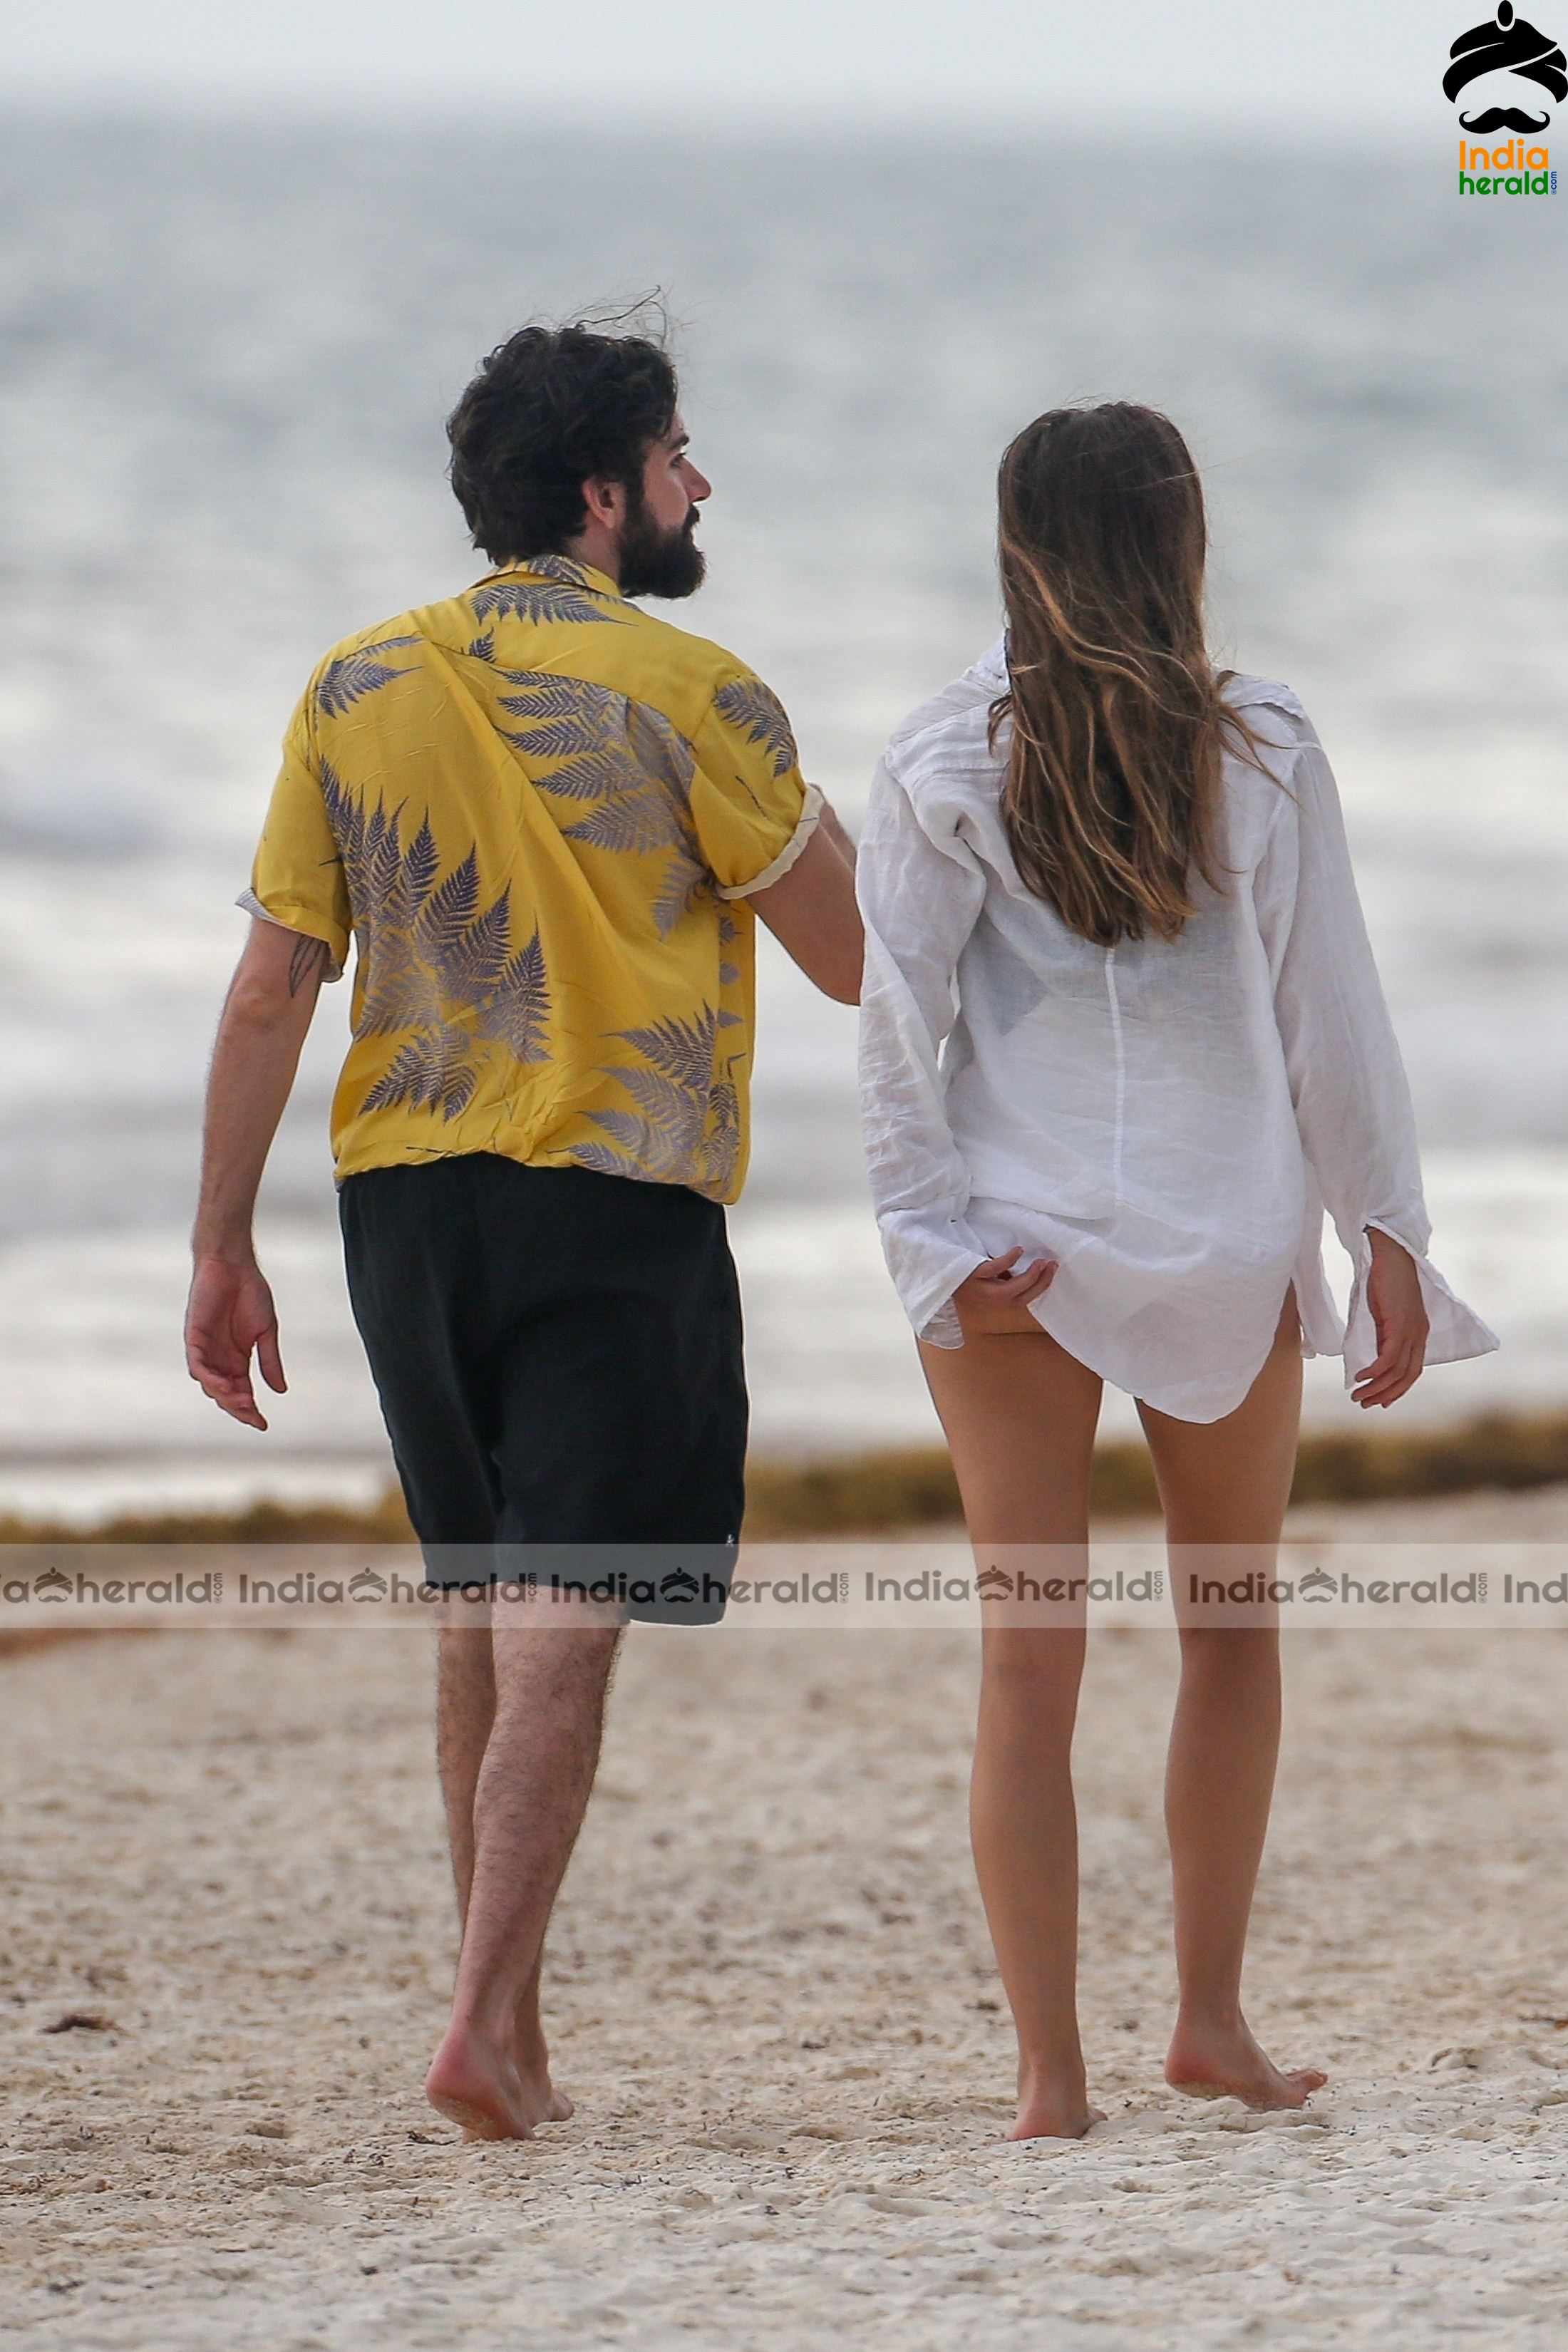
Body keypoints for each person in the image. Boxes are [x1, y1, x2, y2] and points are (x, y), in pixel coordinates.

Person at [185, 319, 862, 2142]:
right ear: (602, 490)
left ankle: (512, 2027)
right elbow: (853, 952)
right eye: (676, 456)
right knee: (567, 1605)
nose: (699, 484)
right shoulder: (696, 686)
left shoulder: (351, 682)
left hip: (399, 1207)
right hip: (608, 1190)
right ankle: (484, 2024)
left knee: (480, 1591)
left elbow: (270, 986)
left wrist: (216, 1242)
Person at [855, 402, 1497, 2142]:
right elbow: (1330, 1017)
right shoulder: (1265, 747)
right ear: (1179, 542)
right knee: (1227, 1630)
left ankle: (1050, 2084)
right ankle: (1205, 2021)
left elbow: (892, 1035)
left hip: (1014, 1250)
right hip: (1220, 1233)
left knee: (1024, 1662)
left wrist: (928, 1242)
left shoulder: (937, 755)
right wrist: (1387, 1237)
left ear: (1018, 547)